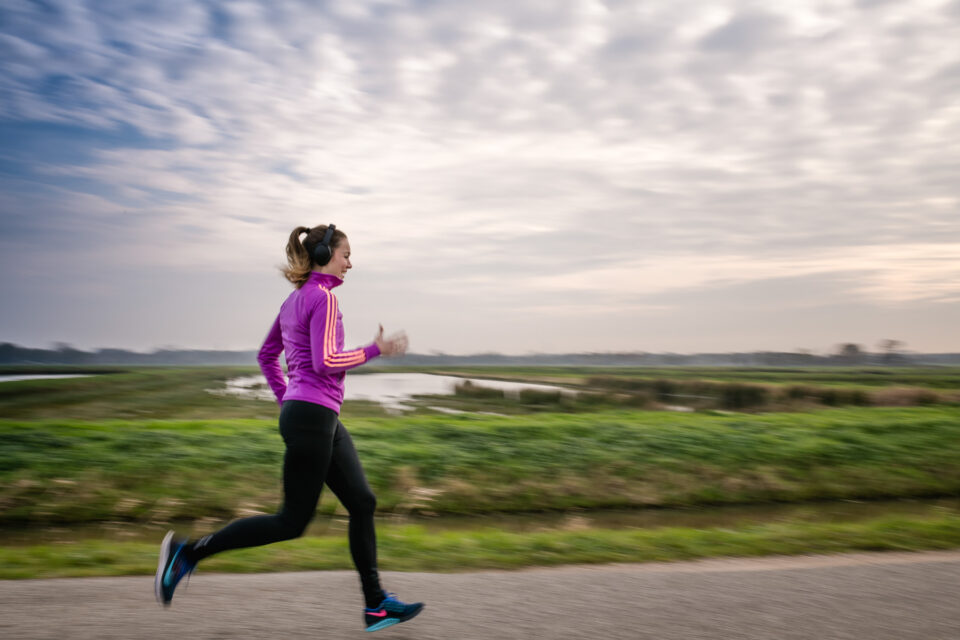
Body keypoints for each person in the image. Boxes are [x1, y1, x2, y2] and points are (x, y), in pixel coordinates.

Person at [155, 224, 423, 633]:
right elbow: (325, 361)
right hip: (312, 416)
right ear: (324, 255)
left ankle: (376, 605)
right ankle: (187, 554)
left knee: (362, 502)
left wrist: (288, 400)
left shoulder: (293, 301)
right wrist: (375, 350)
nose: (350, 263)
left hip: (315, 417)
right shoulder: (324, 298)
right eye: (346, 255)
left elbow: (266, 356)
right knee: (291, 522)